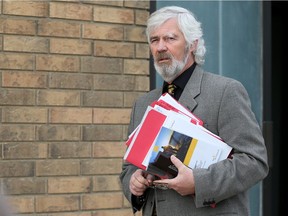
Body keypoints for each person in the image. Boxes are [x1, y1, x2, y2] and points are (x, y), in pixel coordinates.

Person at [119, 5, 269, 216]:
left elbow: (254, 162)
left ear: (192, 44)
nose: (160, 47)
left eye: (170, 38)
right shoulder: (143, 104)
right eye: (154, 40)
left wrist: (198, 182)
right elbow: (128, 169)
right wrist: (134, 184)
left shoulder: (225, 91)